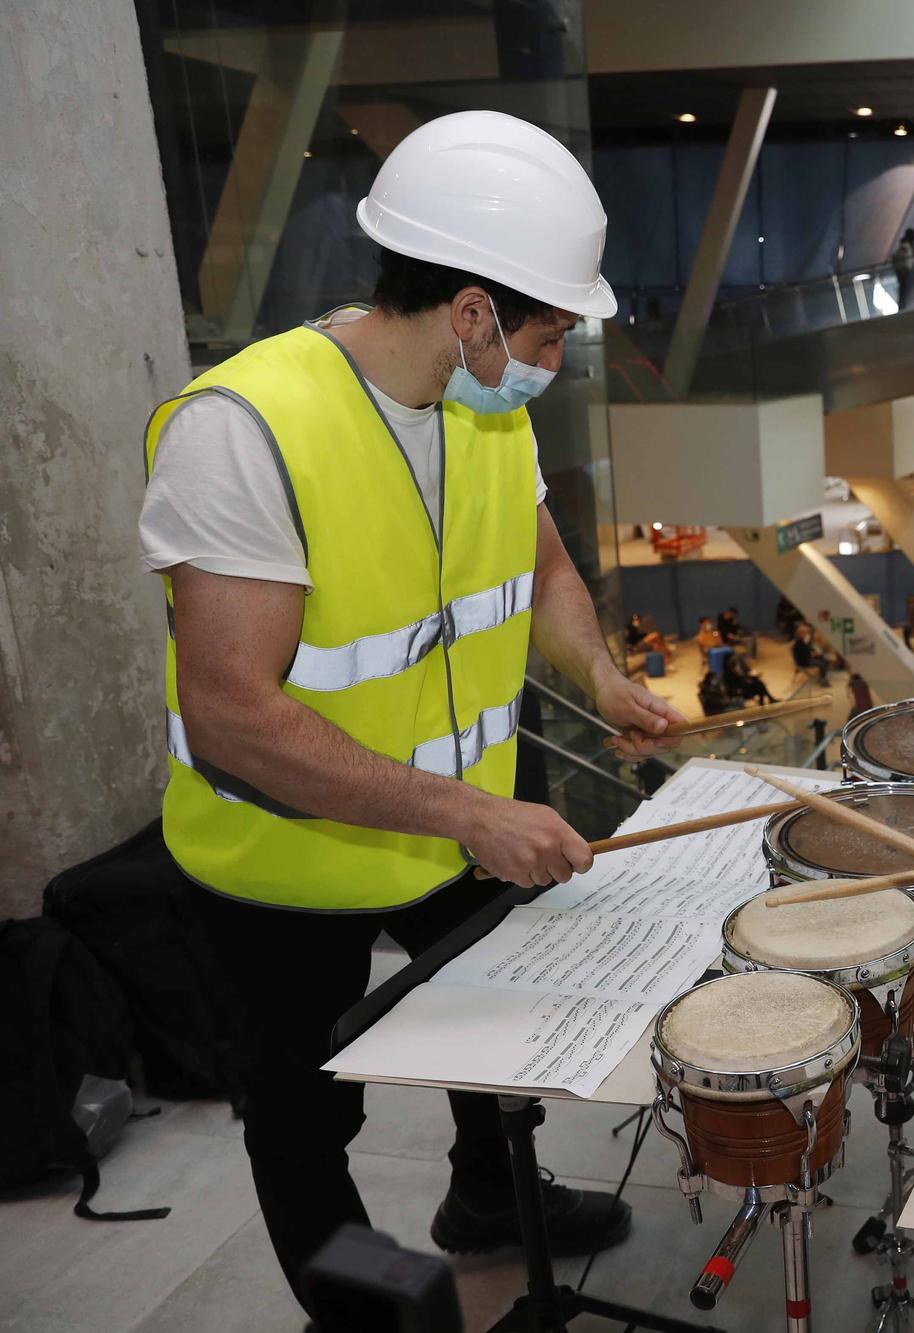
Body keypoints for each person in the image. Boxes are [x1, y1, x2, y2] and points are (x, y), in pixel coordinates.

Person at [137, 111, 687, 1313]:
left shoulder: (492, 405)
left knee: (496, 1034)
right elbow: (231, 714)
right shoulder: (243, 433)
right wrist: (467, 812)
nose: (560, 356)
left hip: (455, 820)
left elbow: (538, 566)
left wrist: (596, 675)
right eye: (550, 328)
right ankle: (366, 1302)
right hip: (278, 861)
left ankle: (487, 1199)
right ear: (475, 310)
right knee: (301, 1121)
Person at [893, 228, 914, 310]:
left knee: (905, 294)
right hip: (908, 273)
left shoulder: (904, 246)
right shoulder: (907, 247)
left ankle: (903, 310)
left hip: (905, 274)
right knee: (907, 293)